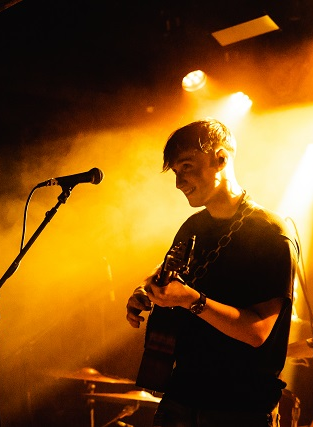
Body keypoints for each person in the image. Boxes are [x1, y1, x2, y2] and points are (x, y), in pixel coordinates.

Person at [126, 118, 300, 427]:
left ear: (221, 158)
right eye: (176, 172)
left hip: (240, 409)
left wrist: (192, 300)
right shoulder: (192, 227)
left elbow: (256, 332)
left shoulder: (271, 233)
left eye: (187, 166)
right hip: (180, 398)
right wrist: (147, 293)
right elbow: (167, 279)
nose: (180, 183)